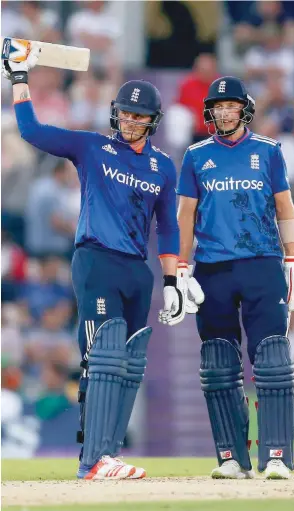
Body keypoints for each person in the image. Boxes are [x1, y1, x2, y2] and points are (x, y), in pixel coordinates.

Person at [2, 44, 186, 480]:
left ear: (152, 121)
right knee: (102, 357)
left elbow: (169, 227)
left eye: (138, 116)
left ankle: (110, 454)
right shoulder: (91, 148)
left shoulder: (162, 166)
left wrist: (173, 280)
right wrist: (19, 78)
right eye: (124, 113)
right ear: (115, 113)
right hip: (96, 260)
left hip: (137, 272)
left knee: (131, 362)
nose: (129, 121)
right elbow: (32, 131)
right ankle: (93, 460)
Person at [176, 76, 294, 480]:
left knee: (273, 361)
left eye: (231, 106)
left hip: (262, 264)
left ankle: (278, 456)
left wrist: (293, 259)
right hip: (213, 268)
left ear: (243, 109)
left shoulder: (268, 152)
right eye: (218, 107)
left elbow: (285, 208)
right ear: (210, 113)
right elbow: (185, 216)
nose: (224, 112)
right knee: (218, 365)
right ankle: (232, 458)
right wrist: (179, 270)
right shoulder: (196, 155)